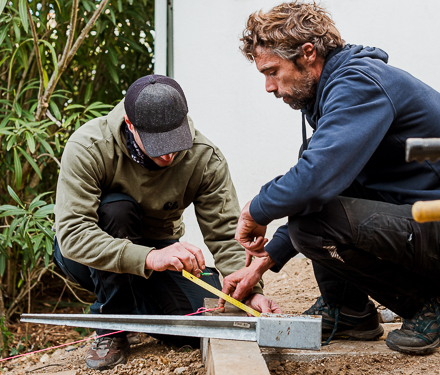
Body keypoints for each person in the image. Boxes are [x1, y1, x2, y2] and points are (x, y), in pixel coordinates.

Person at [220, 0, 440, 356]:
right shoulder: (341, 91)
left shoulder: (359, 84)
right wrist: (264, 261)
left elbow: (315, 181)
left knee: (312, 217)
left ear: (308, 53)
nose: (268, 86)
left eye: (272, 71)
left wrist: (256, 209)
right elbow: (319, 182)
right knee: (311, 194)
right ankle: (348, 311)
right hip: (438, 228)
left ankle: (439, 298)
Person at [54, 74, 280, 371]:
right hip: (91, 254)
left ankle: (136, 307)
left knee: (191, 328)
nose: (170, 153)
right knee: (117, 210)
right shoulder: (89, 146)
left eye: (175, 140)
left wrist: (248, 292)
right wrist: (149, 256)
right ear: (130, 125)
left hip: (161, 249)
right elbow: (73, 234)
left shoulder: (205, 158)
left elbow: (226, 235)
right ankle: (113, 325)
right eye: (158, 144)